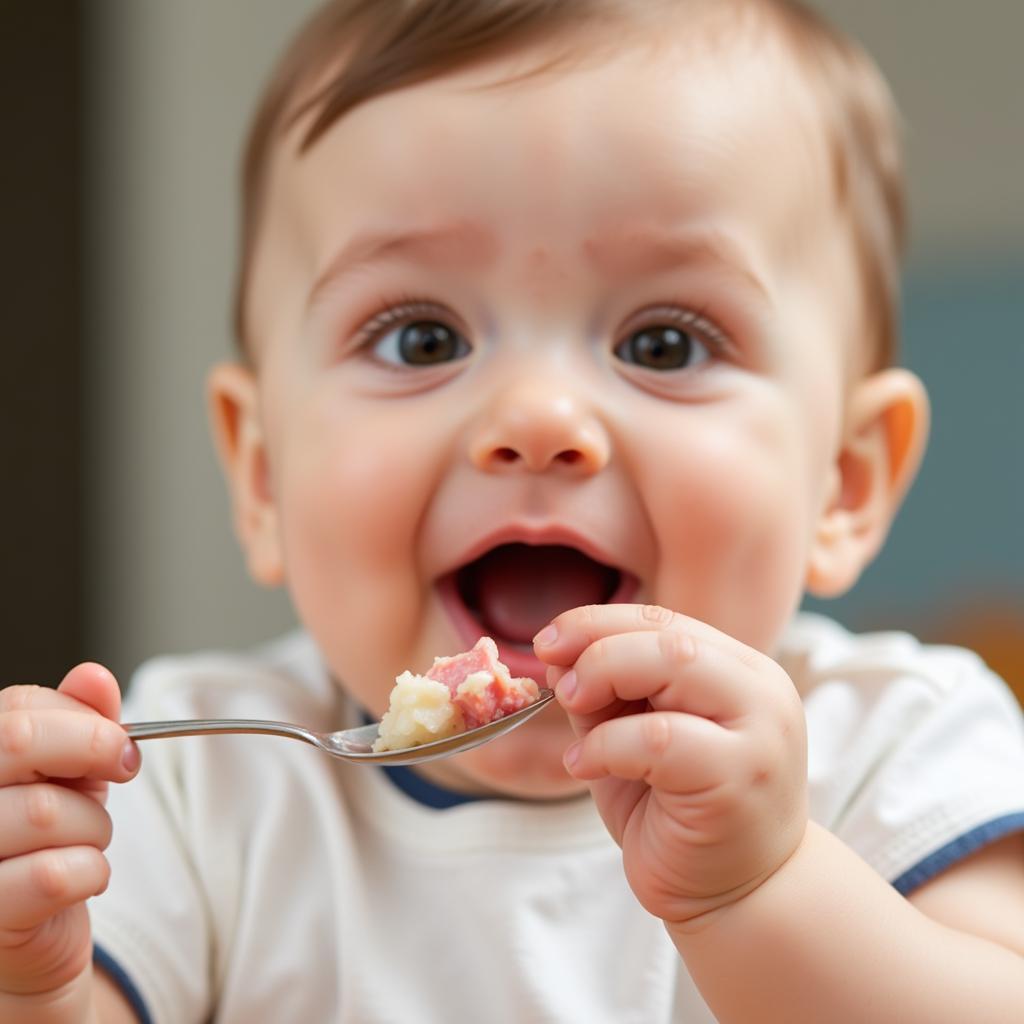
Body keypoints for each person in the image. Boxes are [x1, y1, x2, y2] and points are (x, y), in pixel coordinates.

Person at [3, 0, 1024, 1020]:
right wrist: (31, 975)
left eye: (662, 343)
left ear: (844, 481)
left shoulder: (896, 747)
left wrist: (764, 888)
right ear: (264, 473)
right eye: (422, 339)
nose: (536, 418)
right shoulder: (201, 793)